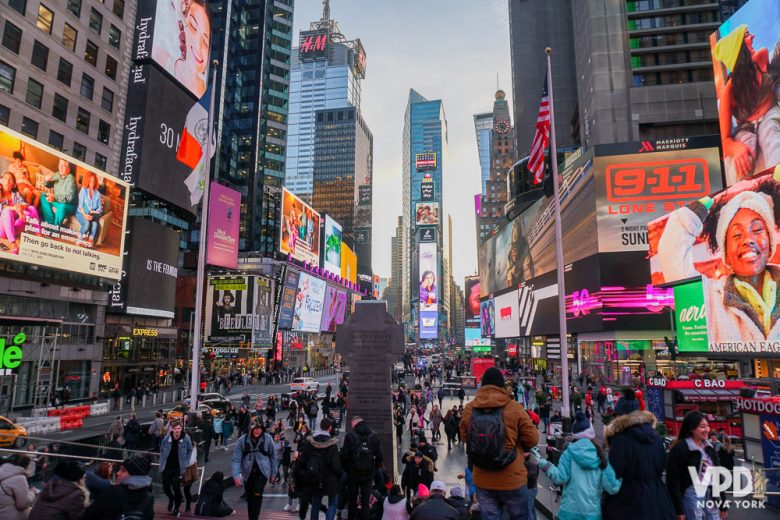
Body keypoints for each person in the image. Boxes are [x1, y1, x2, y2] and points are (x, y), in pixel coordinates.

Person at [659, 188, 780, 341]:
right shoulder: (710, 298)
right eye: (737, 235)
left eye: (757, 230)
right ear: (726, 256)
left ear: (770, 244)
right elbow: (672, 255)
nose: (748, 239)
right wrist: (687, 219)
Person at [459, 367, 538, 520]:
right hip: (512, 477)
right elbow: (533, 438)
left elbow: (464, 438)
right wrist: (517, 446)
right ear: (503, 386)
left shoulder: (470, 409)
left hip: (483, 478)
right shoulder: (514, 407)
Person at [714, 23, 780, 183]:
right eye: (747, 36)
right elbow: (725, 139)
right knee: (744, 153)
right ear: (739, 50)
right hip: (746, 127)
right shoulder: (729, 92)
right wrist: (736, 148)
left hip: (770, 113)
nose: (753, 37)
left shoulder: (762, 56)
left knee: (771, 134)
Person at [532, 412, 621, 520]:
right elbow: (612, 487)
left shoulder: (568, 453)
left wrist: (542, 462)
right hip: (592, 514)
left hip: (569, 512)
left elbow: (559, 477)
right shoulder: (600, 456)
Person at [603, 405, 675, 520]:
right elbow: (662, 464)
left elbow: (614, 472)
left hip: (627, 498)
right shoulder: (655, 436)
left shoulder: (620, 439)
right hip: (656, 496)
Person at [666, 411, 727, 520]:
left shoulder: (709, 448)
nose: (707, 429)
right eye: (702, 426)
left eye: (708, 426)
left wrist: (723, 504)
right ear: (691, 428)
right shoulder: (680, 449)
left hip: (709, 492)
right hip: (690, 493)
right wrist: (678, 509)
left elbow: (718, 475)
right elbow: (673, 480)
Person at [294, 417, 342, 520]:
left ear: (320, 426)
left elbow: (302, 461)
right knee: (332, 503)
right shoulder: (333, 445)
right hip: (330, 479)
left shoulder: (310, 443)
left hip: (315, 478)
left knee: (316, 503)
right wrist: (340, 474)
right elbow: (336, 465)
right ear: (329, 428)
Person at [81, 454, 154, 520]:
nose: (117, 473)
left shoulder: (112, 492)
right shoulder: (149, 498)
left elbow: (89, 515)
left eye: (123, 470)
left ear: (134, 474)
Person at [231, 422, 279, 520]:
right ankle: (251, 517)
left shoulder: (267, 439)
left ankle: (254, 518)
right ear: (251, 429)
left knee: (257, 492)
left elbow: (273, 457)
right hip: (247, 473)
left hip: (262, 472)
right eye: (255, 428)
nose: (258, 431)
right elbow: (236, 459)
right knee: (250, 497)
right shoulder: (242, 440)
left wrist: (274, 473)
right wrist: (236, 475)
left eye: (260, 428)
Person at [341, 416, 383, 520]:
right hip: (368, 474)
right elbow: (379, 456)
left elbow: (344, 455)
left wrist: (348, 469)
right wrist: (374, 470)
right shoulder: (374, 436)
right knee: (365, 503)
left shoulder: (350, 436)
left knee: (352, 500)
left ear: (355, 424)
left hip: (353, 473)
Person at [173, 0, 211, 97]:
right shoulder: (164, 59)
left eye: (205, 43)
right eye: (193, 26)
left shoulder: (203, 98)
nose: (199, 45)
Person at [159, 420, 193, 516]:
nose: (177, 430)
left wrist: (186, 462)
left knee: (176, 486)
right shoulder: (167, 438)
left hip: (178, 467)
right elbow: (162, 449)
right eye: (175, 429)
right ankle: (171, 498)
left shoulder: (186, 438)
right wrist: (162, 461)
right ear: (172, 429)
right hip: (167, 467)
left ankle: (177, 507)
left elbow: (190, 450)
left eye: (179, 428)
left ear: (181, 429)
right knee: (166, 487)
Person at [39, 159, 77, 227]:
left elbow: (69, 197)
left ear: (68, 169)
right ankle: (50, 223)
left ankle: (55, 229)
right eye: (60, 165)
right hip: (58, 201)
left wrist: (54, 197)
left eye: (64, 166)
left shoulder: (71, 179)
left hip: (69, 205)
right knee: (43, 196)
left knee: (63, 206)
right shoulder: (57, 174)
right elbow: (49, 185)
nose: (61, 167)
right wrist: (46, 181)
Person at [0, 454, 36, 520]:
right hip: (6, 515)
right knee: (34, 511)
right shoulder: (19, 478)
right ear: (26, 465)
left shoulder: (2, 470)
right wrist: (32, 493)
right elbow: (23, 505)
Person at [74, 172, 102, 246]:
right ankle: (80, 239)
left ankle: (90, 240)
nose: (92, 183)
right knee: (86, 224)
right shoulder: (83, 190)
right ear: (87, 181)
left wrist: (95, 212)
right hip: (81, 213)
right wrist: (85, 215)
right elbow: (80, 206)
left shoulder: (98, 193)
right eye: (90, 181)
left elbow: (99, 208)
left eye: (93, 181)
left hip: (92, 214)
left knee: (95, 224)